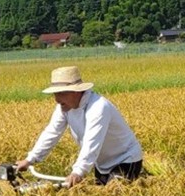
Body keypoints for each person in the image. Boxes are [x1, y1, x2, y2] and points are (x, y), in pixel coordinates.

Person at [13, 66, 144, 187]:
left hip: (125, 159)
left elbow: (91, 142)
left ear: (76, 92)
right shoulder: (64, 107)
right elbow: (52, 132)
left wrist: (78, 172)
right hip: (102, 164)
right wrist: (30, 159)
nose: (57, 99)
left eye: (61, 93)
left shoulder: (98, 107)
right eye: (55, 94)